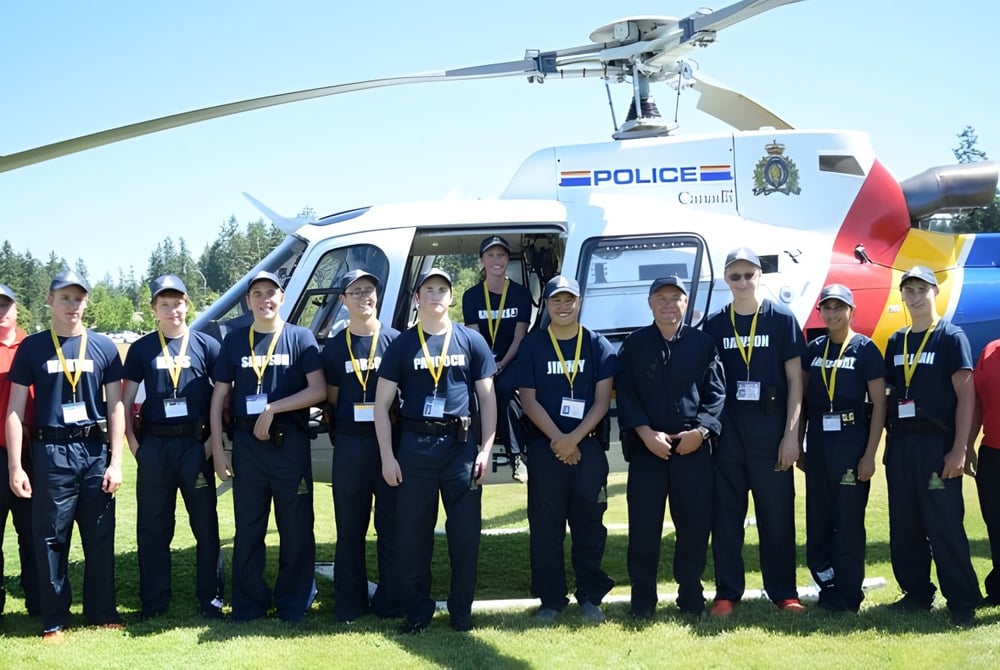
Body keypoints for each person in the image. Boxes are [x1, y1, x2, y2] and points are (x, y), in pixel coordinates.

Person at [374, 268, 496, 633]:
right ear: (417, 298)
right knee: (412, 536)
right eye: (428, 290)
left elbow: (488, 400)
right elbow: (381, 406)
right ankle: (417, 610)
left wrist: (486, 449)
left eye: (442, 289)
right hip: (414, 448)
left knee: (465, 536)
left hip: (460, 448)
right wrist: (387, 456)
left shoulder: (471, 341)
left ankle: (461, 612)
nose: (436, 296)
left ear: (451, 297)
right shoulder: (401, 344)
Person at [5, 269, 125, 640]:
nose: (73, 305)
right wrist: (15, 466)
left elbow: (116, 408)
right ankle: (55, 618)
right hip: (51, 452)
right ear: (49, 301)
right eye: (65, 298)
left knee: (100, 534)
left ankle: (101, 611)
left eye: (78, 298)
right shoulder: (33, 347)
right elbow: (14, 408)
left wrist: (116, 461)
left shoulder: (104, 346)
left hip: (93, 450)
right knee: (50, 537)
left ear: (86, 301)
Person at [208, 270, 326, 623]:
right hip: (248, 447)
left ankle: (294, 601)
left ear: (282, 297)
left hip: (289, 445)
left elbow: (318, 390)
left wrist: (275, 407)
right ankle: (249, 603)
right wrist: (217, 446)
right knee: (249, 527)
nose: (264, 300)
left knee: (295, 527)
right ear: (248, 301)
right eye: (257, 294)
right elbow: (218, 399)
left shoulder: (300, 338)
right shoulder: (234, 341)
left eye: (271, 293)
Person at [702, 247, 806, 616]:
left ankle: (783, 592)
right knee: (726, 518)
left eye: (748, 275)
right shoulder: (715, 324)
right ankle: (727, 592)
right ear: (726, 280)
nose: (743, 282)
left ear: (759, 275)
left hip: (771, 431)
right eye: (735, 276)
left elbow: (796, 380)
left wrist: (792, 435)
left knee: (776, 516)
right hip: (729, 434)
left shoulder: (781, 318)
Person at [616, 276, 724, 619]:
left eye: (674, 298)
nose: (667, 304)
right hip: (649, 451)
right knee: (644, 530)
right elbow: (626, 392)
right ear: (650, 303)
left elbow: (716, 393)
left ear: (685, 303)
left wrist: (703, 432)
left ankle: (691, 597)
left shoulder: (703, 343)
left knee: (693, 528)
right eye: (660, 298)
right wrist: (645, 432)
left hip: (691, 450)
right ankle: (642, 602)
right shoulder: (634, 345)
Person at [517, 275, 618, 624]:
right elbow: (528, 400)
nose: (563, 306)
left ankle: (590, 596)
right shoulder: (533, 345)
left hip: (586, 448)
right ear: (546, 305)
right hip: (547, 449)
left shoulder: (597, 345)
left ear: (579, 302)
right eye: (556, 300)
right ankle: (551, 600)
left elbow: (603, 402)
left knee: (590, 526)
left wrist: (573, 439)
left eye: (569, 300)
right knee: (546, 528)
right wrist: (560, 440)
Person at [883, 266, 981, 627]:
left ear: (934, 291)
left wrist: (960, 448)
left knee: (943, 524)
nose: (914, 295)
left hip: (936, 444)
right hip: (902, 444)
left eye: (921, 288)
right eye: (908, 289)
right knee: (904, 523)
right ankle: (916, 593)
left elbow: (966, 397)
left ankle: (962, 601)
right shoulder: (897, 341)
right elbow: (890, 395)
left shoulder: (951, 337)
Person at [122, 274, 224, 620]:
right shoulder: (141, 349)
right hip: (154, 447)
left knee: (205, 525)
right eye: (164, 304)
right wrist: (136, 448)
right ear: (154, 309)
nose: (172, 310)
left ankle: (210, 596)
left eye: (177, 302)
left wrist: (210, 446)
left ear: (187, 304)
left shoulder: (207, 346)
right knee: (153, 527)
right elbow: (124, 401)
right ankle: (153, 600)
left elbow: (224, 399)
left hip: (195, 448)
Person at [321, 270, 401, 622]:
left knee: (392, 527)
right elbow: (333, 398)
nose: (364, 297)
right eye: (355, 292)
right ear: (343, 301)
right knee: (350, 529)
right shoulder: (335, 348)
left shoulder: (397, 341)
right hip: (351, 445)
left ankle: (391, 602)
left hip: (391, 446)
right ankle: (350, 603)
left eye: (369, 290)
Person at [800, 284, 886, 612]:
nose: (832, 314)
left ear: (851, 311)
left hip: (851, 443)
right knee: (819, 520)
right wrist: (799, 443)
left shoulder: (865, 349)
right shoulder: (815, 349)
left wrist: (869, 455)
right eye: (827, 308)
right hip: (820, 443)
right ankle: (828, 585)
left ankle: (849, 595)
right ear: (820, 311)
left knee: (848, 521)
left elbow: (879, 405)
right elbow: (802, 401)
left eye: (839, 308)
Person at [462, 235, 533, 480]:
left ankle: (517, 456)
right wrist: (488, 365)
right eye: (490, 255)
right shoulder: (471, 296)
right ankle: (472, 452)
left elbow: (520, 336)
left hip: (511, 360)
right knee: (474, 394)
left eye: (501, 255)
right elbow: (475, 337)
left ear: (507, 259)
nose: (496, 260)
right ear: (482, 260)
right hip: (482, 361)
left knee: (503, 391)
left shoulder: (521, 294)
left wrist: (502, 363)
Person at [0, 283, 39, 621]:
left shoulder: (33, 345)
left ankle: (37, 602)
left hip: (31, 453)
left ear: (16, 308)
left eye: (6, 304)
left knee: (32, 532)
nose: (1, 311)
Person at [969, 337, 1000, 606]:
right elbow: (977, 402)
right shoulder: (989, 351)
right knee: (995, 521)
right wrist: (968, 443)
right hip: (992, 452)